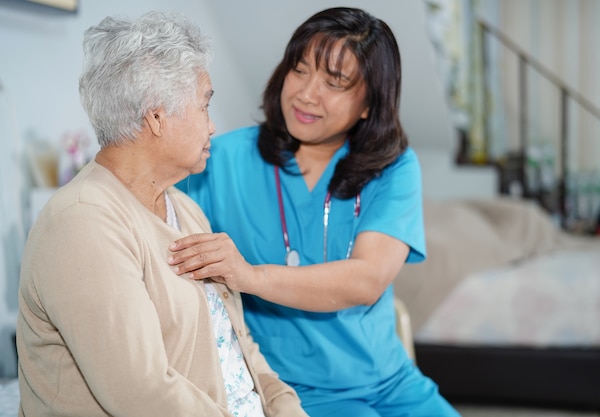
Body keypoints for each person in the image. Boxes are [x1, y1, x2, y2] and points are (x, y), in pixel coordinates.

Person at [170, 7, 460, 417]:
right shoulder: (218, 159)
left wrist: (249, 276)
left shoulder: (393, 167)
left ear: (368, 104)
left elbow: (366, 279)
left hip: (392, 382)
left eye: (335, 82)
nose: (307, 94)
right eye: (299, 70)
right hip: (294, 388)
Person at [16, 11, 309, 417]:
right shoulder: (80, 224)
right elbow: (144, 395)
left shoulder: (186, 211)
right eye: (205, 107)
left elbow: (240, 347)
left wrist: (286, 407)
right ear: (156, 117)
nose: (211, 128)